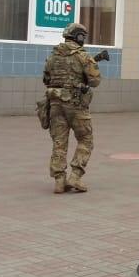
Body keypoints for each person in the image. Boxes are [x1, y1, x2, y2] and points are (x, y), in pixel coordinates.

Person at [42, 23, 101, 194]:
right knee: (86, 139)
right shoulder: (83, 56)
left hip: (55, 104)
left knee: (59, 142)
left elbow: (46, 79)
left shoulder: (52, 56)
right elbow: (95, 81)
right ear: (79, 37)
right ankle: (75, 176)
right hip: (76, 105)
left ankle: (59, 181)